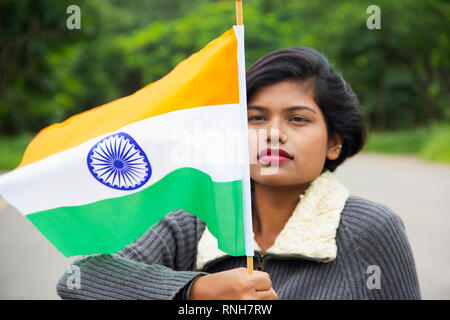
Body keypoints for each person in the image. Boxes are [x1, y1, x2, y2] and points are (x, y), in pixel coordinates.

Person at [57, 47, 421, 300]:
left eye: (297, 119)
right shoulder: (191, 222)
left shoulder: (370, 229)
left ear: (334, 143)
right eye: (255, 118)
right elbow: (79, 282)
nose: (273, 133)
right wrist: (195, 290)